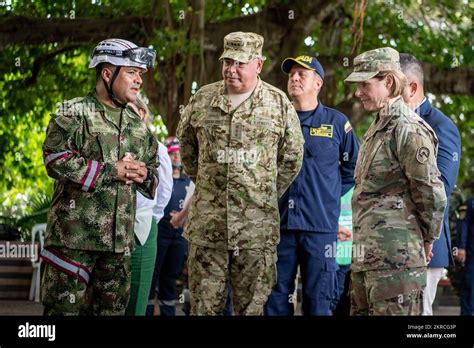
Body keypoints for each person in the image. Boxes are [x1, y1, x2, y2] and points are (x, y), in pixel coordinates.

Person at [177, 31, 304, 315]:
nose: (231, 69)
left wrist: (261, 191)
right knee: (203, 309)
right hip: (208, 229)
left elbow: (292, 158)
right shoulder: (203, 98)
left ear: (258, 65)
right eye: (227, 62)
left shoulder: (278, 104)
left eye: (240, 63)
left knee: (252, 309)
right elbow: (187, 149)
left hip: (256, 233)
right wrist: (211, 184)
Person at [41, 38, 159, 315]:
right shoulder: (73, 112)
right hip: (73, 244)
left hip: (118, 248)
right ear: (107, 73)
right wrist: (111, 170)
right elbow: (55, 160)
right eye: (131, 72)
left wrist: (143, 174)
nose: (138, 80)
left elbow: (153, 173)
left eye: (140, 74)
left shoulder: (137, 125)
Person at [344, 47, 447, 315]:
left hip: (396, 264)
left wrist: (427, 240)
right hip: (365, 262)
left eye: (365, 84)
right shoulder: (377, 128)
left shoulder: (409, 128)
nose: (358, 92)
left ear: (388, 82)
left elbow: (432, 194)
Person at [264, 55, 359, 316]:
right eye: (291, 74)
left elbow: (353, 170)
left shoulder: (337, 123)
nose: (294, 78)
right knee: (275, 300)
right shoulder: (275, 121)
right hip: (279, 225)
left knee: (319, 302)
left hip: (320, 230)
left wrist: (327, 199)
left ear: (317, 83)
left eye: (301, 74)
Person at [400, 53, 461, 315]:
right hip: (388, 247)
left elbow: (440, 189)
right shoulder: (391, 123)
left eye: (393, 85)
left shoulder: (441, 126)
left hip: (424, 247)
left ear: (412, 87)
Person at [125, 97, 173, 316]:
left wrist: (151, 217)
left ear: (142, 114)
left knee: (138, 291)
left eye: (131, 111)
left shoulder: (158, 148)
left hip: (143, 225)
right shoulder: (113, 144)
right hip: (111, 226)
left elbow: (164, 191)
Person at [146, 137, 193, 316]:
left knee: (170, 278)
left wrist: (182, 218)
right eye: (172, 153)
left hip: (179, 234)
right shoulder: (160, 176)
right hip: (160, 230)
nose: (176, 157)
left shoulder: (188, 180)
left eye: (179, 153)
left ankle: (168, 313)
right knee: (152, 276)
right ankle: (147, 311)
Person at [456, 195, 474, 315]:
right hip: (471, 252)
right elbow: (463, 225)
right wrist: (461, 247)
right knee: (469, 284)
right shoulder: (470, 203)